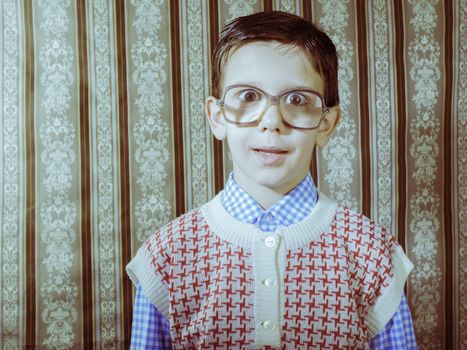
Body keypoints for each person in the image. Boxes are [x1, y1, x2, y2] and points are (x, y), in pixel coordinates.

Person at [126, 10, 418, 349]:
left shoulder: (372, 253)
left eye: (297, 100)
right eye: (249, 96)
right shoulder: (166, 256)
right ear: (218, 117)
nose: (271, 121)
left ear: (326, 124)